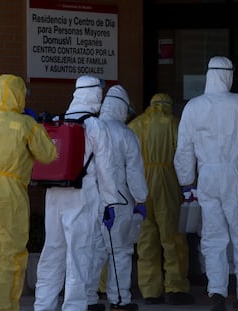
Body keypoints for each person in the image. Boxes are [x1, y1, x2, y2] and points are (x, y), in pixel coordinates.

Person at [173, 56, 238, 311]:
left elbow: (183, 149)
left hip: (207, 175)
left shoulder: (193, 107)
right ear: (228, 76)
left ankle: (217, 292)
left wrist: (187, 182)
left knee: (212, 237)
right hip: (236, 175)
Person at [0, 74, 57, 311]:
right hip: (8, 192)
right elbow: (49, 155)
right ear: (19, 94)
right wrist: (36, 126)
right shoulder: (25, 124)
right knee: (11, 256)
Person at [34, 75, 118, 311]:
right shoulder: (96, 125)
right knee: (78, 256)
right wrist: (110, 202)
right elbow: (106, 168)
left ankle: (43, 306)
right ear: (96, 95)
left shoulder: (58, 121)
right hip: (83, 194)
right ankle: (73, 307)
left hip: (54, 193)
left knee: (52, 251)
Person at [128, 93, 195, 306]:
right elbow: (185, 154)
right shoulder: (175, 123)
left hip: (142, 182)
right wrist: (189, 184)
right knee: (172, 237)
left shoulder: (135, 124)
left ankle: (150, 291)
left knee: (146, 239)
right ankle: (175, 288)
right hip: (168, 180)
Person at [90, 85, 148, 311]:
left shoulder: (91, 128)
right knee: (120, 250)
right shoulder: (126, 134)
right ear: (123, 108)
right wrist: (141, 200)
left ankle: (88, 298)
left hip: (93, 197)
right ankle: (120, 299)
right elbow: (134, 172)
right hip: (120, 198)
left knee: (94, 249)